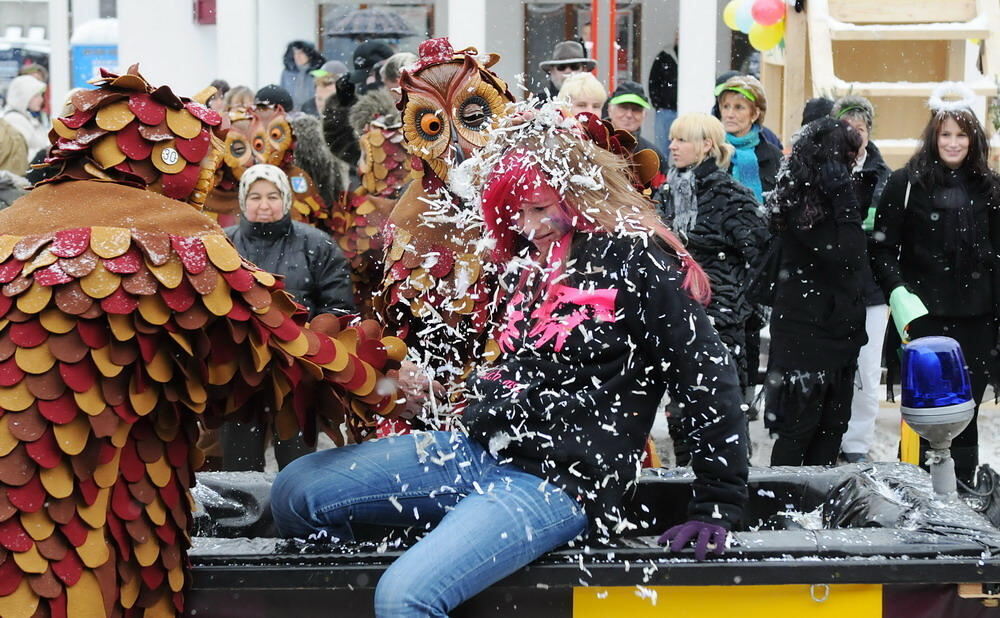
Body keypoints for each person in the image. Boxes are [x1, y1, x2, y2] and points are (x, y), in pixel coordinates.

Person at [270, 107, 749, 616]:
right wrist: (434, 393)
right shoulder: (528, 258)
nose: (530, 226)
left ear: (579, 194)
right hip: (476, 450)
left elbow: (706, 376)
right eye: (515, 214)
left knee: (405, 597)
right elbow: (517, 370)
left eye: (541, 208)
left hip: (561, 481)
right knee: (295, 491)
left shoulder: (639, 258)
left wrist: (717, 502)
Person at [869, 84, 1000, 483]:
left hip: (979, 321)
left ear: (973, 138)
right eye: (946, 134)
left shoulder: (991, 187)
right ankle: (923, 494)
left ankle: (961, 496)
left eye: (961, 134)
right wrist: (899, 292)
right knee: (928, 416)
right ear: (933, 136)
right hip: (925, 321)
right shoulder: (906, 183)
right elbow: (880, 249)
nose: (954, 143)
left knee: (967, 414)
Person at [222, 164, 355, 471]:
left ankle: (295, 514)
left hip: (298, 371)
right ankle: (243, 516)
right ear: (243, 201)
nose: (264, 205)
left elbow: (338, 305)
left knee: (299, 463)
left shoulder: (316, 244)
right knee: (238, 466)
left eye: (272, 196)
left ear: (286, 199)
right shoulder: (223, 245)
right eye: (255, 197)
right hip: (239, 371)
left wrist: (312, 343)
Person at [765, 117, 868, 466]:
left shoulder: (828, 194)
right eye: (849, 154)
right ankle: (779, 511)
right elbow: (849, 255)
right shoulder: (802, 201)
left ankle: (818, 511)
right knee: (799, 430)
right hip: (806, 336)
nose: (854, 161)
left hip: (838, 333)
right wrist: (844, 197)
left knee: (832, 428)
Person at [664, 112, 766, 396]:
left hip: (722, 318)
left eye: (681, 140)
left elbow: (761, 255)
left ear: (706, 144)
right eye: (672, 139)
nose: (672, 146)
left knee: (723, 403)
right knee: (683, 408)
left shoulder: (730, 195)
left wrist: (739, 305)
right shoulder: (668, 191)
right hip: (677, 312)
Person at [831, 95, 892, 464]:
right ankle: (828, 435)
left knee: (867, 371)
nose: (855, 134)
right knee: (832, 368)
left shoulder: (884, 177)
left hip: (870, 289)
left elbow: (886, 234)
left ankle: (857, 443)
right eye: (847, 127)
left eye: (862, 127)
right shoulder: (820, 170)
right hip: (827, 288)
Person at [715, 74, 782, 203]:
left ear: (755, 114)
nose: (729, 114)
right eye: (725, 106)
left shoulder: (773, 157)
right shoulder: (710, 152)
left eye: (738, 107)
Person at [606, 80, 666, 172]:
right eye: (623, 107)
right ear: (610, 110)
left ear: (644, 115)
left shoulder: (652, 155)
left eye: (636, 109)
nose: (629, 115)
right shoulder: (594, 144)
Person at [2, 74, 49, 161]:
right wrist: (46, 154)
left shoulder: (28, 117)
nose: (41, 99)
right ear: (24, 97)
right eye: (36, 96)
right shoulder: (15, 120)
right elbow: (19, 155)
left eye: (40, 95)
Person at [649, 37, 679, 155]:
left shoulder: (694, 56)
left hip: (687, 111)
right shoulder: (664, 56)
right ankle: (662, 173)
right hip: (666, 111)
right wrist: (658, 104)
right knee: (661, 149)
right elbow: (653, 81)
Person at [280, 40, 326, 111]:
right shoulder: (287, 72)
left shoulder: (319, 71)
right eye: (295, 53)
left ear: (309, 54)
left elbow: (324, 94)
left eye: (301, 53)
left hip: (313, 112)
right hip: (291, 113)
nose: (297, 56)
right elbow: (283, 93)